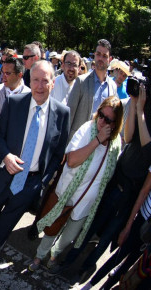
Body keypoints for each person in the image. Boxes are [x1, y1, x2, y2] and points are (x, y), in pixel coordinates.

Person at [0, 60, 70, 269]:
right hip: (3, 175)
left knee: (6, 225)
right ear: (30, 80)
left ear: (53, 83)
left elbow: (58, 153)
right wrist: (6, 156)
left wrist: (42, 181)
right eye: (35, 80)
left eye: (45, 81)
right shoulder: (15, 102)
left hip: (30, 183)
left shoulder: (62, 113)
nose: (39, 86)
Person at [61, 76, 151, 282]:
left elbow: (148, 152)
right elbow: (129, 138)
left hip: (132, 190)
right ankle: (69, 260)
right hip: (118, 177)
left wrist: (139, 110)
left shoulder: (144, 111)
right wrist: (136, 103)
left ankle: (85, 267)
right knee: (92, 225)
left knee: (108, 234)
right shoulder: (144, 107)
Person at [30, 96, 123, 272]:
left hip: (86, 203)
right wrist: (97, 140)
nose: (102, 121)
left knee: (69, 237)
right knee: (53, 228)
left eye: (108, 119)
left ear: (115, 123)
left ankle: (54, 254)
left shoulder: (116, 144)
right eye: (101, 115)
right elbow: (71, 161)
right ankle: (39, 255)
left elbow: (108, 176)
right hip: (66, 193)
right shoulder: (87, 129)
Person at [67, 39, 118, 138]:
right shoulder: (81, 82)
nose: (100, 58)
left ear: (110, 59)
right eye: (98, 54)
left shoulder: (113, 87)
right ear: (94, 55)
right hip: (79, 141)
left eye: (104, 56)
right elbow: (69, 115)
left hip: (100, 143)